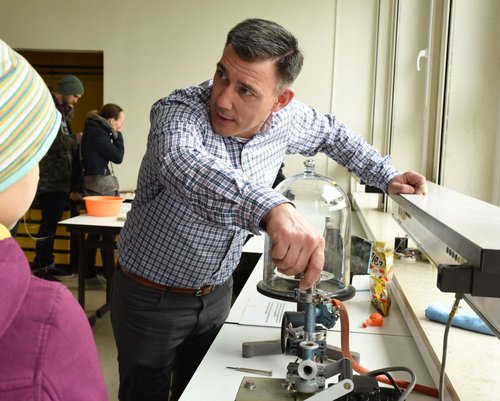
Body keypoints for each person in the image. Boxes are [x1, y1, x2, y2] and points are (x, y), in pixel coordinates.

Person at [111, 18, 427, 401]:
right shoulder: (179, 110)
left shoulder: (287, 120)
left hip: (217, 294)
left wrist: (386, 175)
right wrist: (272, 208)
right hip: (149, 297)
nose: (222, 99)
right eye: (222, 75)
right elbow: (182, 163)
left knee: (199, 392)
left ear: (280, 100)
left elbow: (333, 133)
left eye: (245, 90)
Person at [0, 39, 108, 401]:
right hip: (54, 186)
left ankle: (44, 263)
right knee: (46, 230)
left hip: (62, 184)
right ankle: (43, 263)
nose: (77, 99)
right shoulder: (52, 317)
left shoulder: (69, 114)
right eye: (34, 153)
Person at [33, 73, 84, 281]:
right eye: (75, 96)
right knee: (48, 225)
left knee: (51, 224)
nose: (76, 100)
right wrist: (75, 140)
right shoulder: (47, 109)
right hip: (50, 179)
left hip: (60, 179)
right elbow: (49, 142)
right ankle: (41, 267)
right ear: (65, 91)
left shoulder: (62, 111)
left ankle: (48, 263)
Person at [81, 103, 125, 284]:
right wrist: (119, 136)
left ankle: (90, 273)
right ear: (111, 120)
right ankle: (109, 275)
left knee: (96, 233)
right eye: (120, 122)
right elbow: (118, 157)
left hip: (93, 185)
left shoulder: (94, 130)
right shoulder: (98, 133)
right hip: (99, 187)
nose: (121, 126)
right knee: (106, 233)